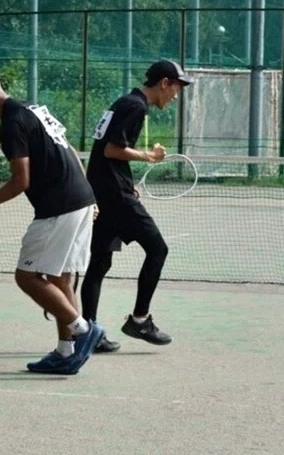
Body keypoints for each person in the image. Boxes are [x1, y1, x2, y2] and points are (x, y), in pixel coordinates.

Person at [0, 67, 104, 374]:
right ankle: (66, 352)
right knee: (61, 279)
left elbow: (20, 181)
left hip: (59, 206)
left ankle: (82, 330)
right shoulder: (34, 109)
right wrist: (89, 195)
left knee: (26, 277)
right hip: (80, 200)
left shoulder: (11, 122)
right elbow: (69, 149)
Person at [81, 59, 193, 352]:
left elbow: (104, 153)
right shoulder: (136, 107)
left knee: (99, 263)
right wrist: (148, 157)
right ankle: (140, 319)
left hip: (103, 192)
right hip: (114, 197)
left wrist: (126, 181)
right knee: (158, 249)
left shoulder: (124, 102)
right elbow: (111, 149)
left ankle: (86, 331)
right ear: (164, 83)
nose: (176, 95)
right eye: (176, 87)